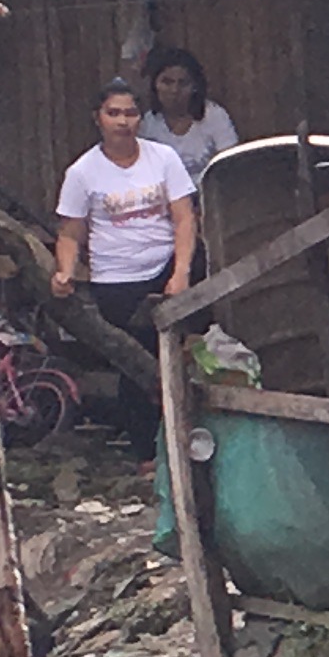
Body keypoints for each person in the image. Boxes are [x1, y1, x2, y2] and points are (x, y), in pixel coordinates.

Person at [53, 80, 198, 458]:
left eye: (130, 113)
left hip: (164, 266)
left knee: (184, 355)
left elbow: (184, 218)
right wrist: (65, 271)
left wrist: (180, 272)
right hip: (116, 280)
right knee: (135, 364)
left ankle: (191, 441)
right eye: (113, 113)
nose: (123, 121)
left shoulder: (163, 158)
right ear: (98, 119)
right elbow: (70, 232)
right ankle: (146, 452)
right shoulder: (82, 172)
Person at [139, 46, 238, 184]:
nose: (175, 90)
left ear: (195, 87)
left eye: (183, 83)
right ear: (154, 85)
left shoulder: (215, 116)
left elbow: (230, 164)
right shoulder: (148, 124)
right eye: (167, 82)